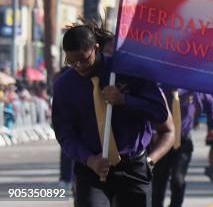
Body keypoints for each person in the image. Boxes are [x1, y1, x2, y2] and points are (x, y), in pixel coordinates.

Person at [52, 23, 174, 207]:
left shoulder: (129, 71)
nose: (78, 66)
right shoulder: (64, 86)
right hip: (92, 169)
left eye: (83, 60)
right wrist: (89, 159)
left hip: (132, 167)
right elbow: (64, 133)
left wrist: (125, 100)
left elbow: (160, 113)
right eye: (70, 61)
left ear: (96, 49)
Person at [152, 87, 213, 207]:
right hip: (160, 141)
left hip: (182, 142)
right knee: (159, 181)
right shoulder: (159, 88)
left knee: (178, 180)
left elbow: (212, 105)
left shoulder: (194, 89)